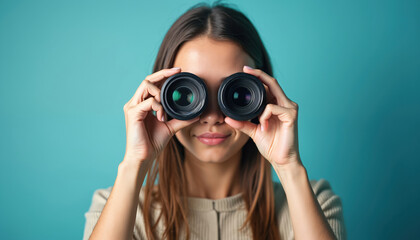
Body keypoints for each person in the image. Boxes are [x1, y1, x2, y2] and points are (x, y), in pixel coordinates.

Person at [83, 2, 346, 240]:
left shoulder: (312, 202)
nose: (212, 116)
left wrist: (289, 167)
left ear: (263, 95)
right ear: (161, 95)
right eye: (187, 94)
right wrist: (134, 164)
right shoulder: (118, 206)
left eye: (236, 94)